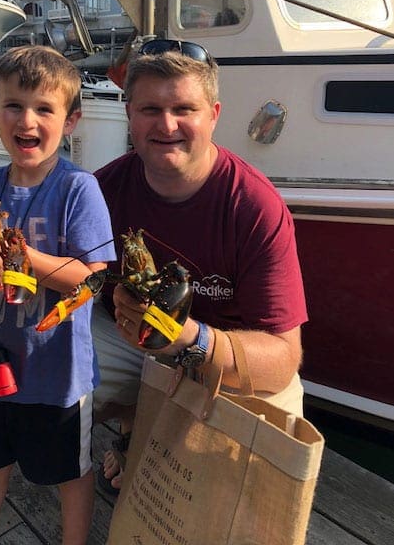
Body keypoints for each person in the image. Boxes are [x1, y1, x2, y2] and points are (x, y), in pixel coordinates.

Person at [92, 39, 307, 494]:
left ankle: (149, 432)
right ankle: (135, 423)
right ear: (128, 113)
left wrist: (190, 340)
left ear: (213, 114)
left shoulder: (253, 205)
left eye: (184, 109)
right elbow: (57, 272)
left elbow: (285, 358)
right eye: (150, 109)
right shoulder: (102, 188)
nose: (166, 124)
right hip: (127, 342)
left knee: (282, 430)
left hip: (217, 349)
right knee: (48, 376)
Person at [0, 45, 115, 545]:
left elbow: (92, 277)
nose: (27, 120)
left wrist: (22, 255)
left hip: (57, 372)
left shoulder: (79, 189)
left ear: (72, 119)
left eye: (44, 108)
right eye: (14, 105)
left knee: (68, 471)